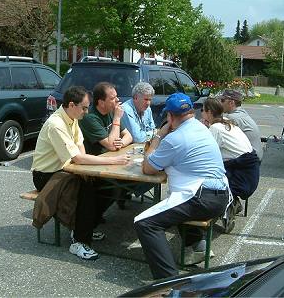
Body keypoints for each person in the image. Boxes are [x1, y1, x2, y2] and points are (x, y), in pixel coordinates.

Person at [134, 93, 229, 280]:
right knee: (174, 204)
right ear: (191, 112)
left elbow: (147, 168)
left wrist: (158, 137)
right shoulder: (202, 128)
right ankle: (197, 245)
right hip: (222, 195)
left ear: (169, 117)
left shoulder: (173, 139)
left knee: (144, 223)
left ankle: (168, 280)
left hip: (201, 197)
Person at [31, 86, 130, 261]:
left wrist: (86, 168)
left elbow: (80, 147)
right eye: (84, 108)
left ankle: (86, 227)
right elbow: (77, 157)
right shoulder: (56, 124)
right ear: (71, 104)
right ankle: (79, 241)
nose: (86, 111)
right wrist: (113, 160)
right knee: (86, 190)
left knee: (106, 185)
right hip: (46, 175)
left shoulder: (73, 117)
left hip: (65, 169)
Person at [202, 98, 260, 218]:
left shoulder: (215, 128)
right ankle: (232, 203)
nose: (201, 113)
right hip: (250, 168)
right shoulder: (226, 121)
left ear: (209, 113)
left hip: (242, 176)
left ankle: (227, 206)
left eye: (203, 110)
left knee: (205, 179)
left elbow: (208, 154)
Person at [79, 82, 133, 211]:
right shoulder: (90, 117)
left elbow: (129, 136)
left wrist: (121, 143)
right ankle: (93, 218)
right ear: (101, 102)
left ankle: (111, 204)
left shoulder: (110, 111)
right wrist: (117, 119)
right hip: (95, 165)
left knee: (136, 177)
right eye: (113, 98)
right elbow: (110, 146)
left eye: (116, 96)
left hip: (111, 160)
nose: (117, 100)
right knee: (114, 187)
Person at [219, 89, 263, 161]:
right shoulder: (242, 113)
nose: (220, 103)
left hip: (249, 159)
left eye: (222, 101)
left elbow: (220, 136)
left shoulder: (232, 118)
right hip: (255, 155)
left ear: (231, 103)